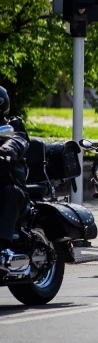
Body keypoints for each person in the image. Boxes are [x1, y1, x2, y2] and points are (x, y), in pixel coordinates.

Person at [0, 86, 29, 265]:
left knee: (10, 193)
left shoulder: (13, 126)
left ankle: (4, 246)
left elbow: (18, 140)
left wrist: (6, 149)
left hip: (12, 182)